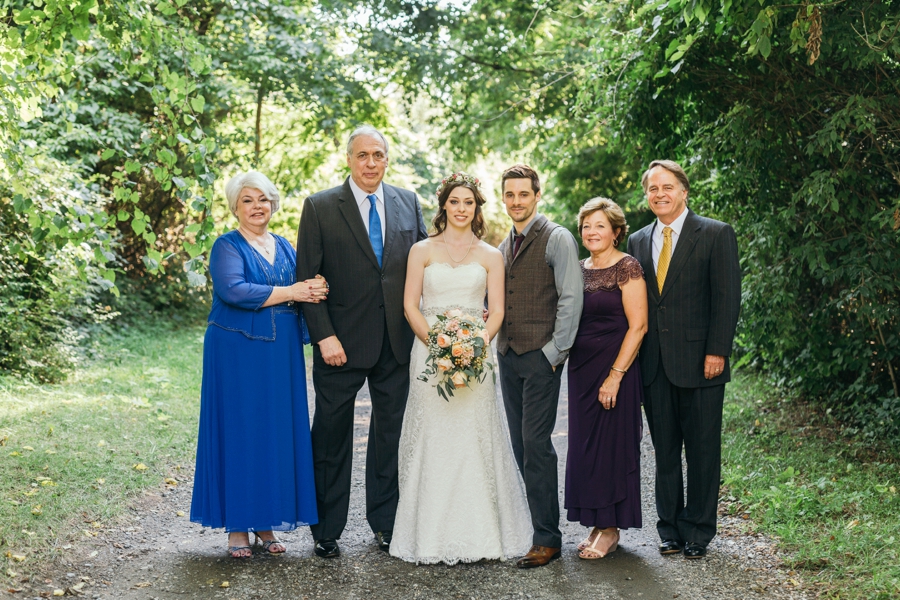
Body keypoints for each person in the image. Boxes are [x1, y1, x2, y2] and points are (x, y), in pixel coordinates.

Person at [296, 125, 428, 559]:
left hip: (396, 342)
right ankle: (326, 530)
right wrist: (325, 336)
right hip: (340, 345)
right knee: (331, 436)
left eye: (378, 155)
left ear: (387, 159)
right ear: (349, 160)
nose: (371, 163)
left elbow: (425, 266)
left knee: (390, 436)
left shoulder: (407, 202)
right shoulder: (319, 207)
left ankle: (386, 525)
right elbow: (307, 279)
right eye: (362, 155)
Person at [390, 173, 533, 564]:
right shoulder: (421, 250)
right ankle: (428, 534)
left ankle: (483, 534)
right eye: (454, 201)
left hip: (476, 356)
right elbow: (410, 306)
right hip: (429, 354)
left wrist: (473, 346)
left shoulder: (491, 255)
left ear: (477, 208)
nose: (461, 208)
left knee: (475, 437)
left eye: (468, 202)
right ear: (444, 206)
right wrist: (438, 345)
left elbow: (498, 310)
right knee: (433, 437)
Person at [191, 171, 328, 558]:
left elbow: (306, 286)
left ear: (273, 205)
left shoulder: (284, 246)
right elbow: (233, 290)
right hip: (236, 351)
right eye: (248, 200)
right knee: (239, 430)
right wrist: (294, 291)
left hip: (280, 352)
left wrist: (317, 288)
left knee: (273, 433)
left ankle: (266, 524)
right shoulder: (226, 246)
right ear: (236, 207)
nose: (257, 207)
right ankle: (237, 527)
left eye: (263, 200)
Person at [626, 160, 741, 559]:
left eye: (667, 187)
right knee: (666, 452)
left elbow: (727, 298)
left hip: (701, 361)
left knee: (703, 450)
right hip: (654, 365)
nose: (660, 194)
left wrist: (718, 350)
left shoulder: (714, 233)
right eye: (653, 188)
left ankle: (699, 531)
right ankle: (670, 529)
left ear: (684, 190)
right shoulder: (638, 241)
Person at [496, 164, 584, 568]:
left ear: (536, 195)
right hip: (508, 356)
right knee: (519, 444)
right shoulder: (503, 244)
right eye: (510, 195)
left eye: (523, 194)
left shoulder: (558, 238)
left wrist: (555, 353)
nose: (517, 201)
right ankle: (536, 530)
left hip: (541, 357)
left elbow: (570, 298)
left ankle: (547, 538)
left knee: (536, 444)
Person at [565, 198, 647, 560]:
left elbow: (639, 325)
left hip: (615, 368)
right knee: (588, 450)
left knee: (612, 448)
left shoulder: (627, 267)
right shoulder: (577, 268)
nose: (591, 232)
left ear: (615, 231)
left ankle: (611, 529)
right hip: (581, 372)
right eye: (586, 226)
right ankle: (597, 524)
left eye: (599, 226)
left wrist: (615, 376)